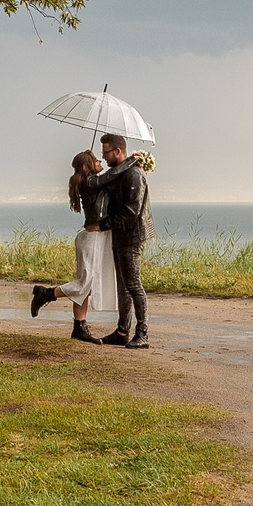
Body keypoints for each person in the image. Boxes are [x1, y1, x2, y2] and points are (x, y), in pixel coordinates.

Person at [29, 151, 120, 341]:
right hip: (92, 239)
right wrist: (133, 160)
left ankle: (79, 327)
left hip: (94, 238)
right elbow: (111, 175)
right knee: (84, 284)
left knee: (85, 286)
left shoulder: (92, 184)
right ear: (88, 166)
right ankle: (46, 293)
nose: (100, 160)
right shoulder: (89, 182)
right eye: (96, 160)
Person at [78, 133, 150, 348]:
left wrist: (102, 225)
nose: (105, 158)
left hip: (132, 236)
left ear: (118, 151)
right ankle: (122, 331)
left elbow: (131, 210)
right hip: (120, 235)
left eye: (106, 153)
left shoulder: (134, 174)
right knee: (124, 286)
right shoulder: (120, 174)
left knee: (134, 285)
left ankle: (143, 333)